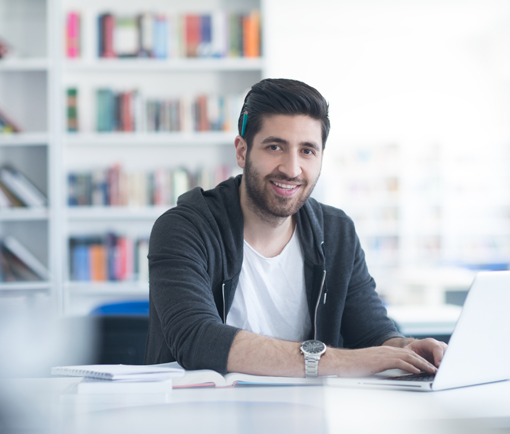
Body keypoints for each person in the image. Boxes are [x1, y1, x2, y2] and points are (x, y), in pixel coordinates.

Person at [145, 78, 446, 378]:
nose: (291, 169)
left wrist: (405, 349)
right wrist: (340, 362)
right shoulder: (184, 229)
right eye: (275, 147)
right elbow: (197, 340)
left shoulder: (336, 232)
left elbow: (373, 334)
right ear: (242, 151)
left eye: (307, 151)